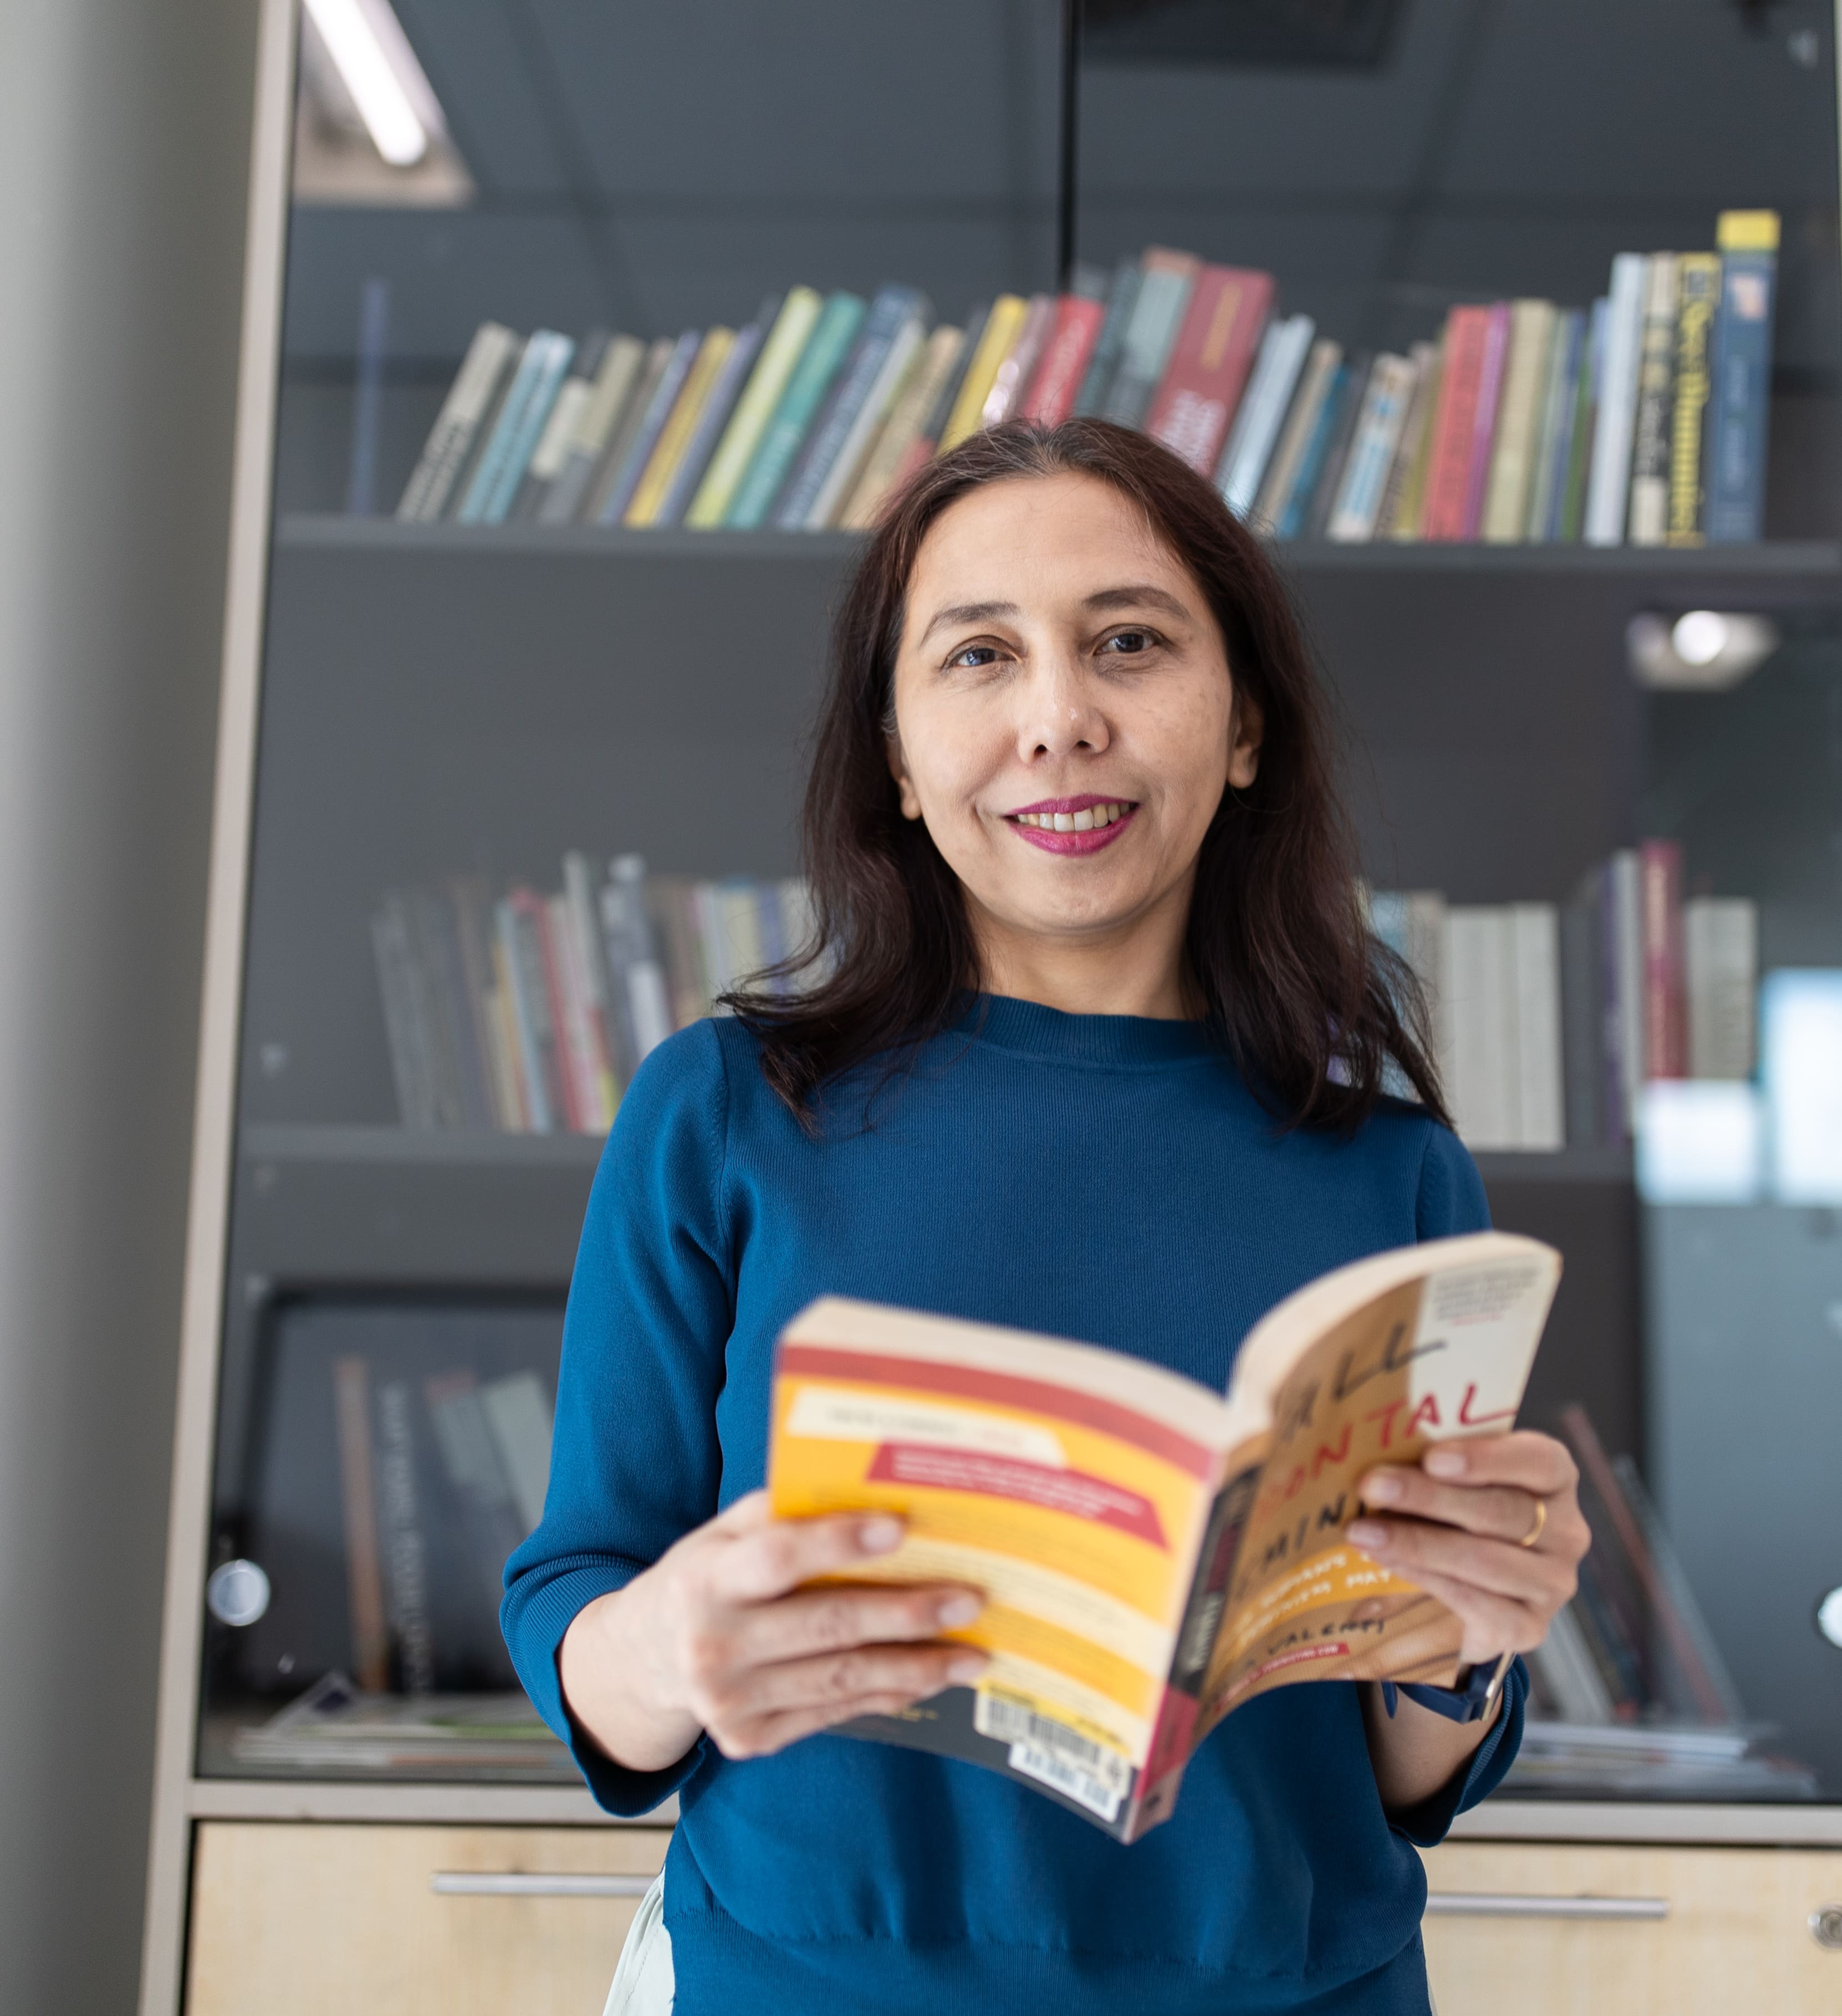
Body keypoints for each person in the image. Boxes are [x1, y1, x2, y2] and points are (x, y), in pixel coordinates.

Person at [504, 418, 1590, 2015]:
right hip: (799, 1985)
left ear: (1244, 731)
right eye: (979, 658)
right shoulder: (726, 1111)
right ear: (895, 750)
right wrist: (670, 1645)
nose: (1059, 719)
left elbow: (1406, 1769)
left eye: (1130, 645)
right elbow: (576, 1590)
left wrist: (1472, 1634)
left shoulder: (1393, 1172)